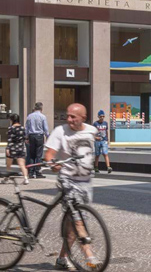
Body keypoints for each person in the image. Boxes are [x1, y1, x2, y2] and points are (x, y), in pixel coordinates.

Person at [44, 103, 99, 271]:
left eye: (73, 117)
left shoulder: (91, 130)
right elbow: (49, 154)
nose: (69, 120)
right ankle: (90, 257)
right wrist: (51, 163)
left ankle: (62, 258)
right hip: (68, 180)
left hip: (86, 183)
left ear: (83, 117)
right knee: (78, 219)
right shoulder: (60, 131)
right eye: (67, 116)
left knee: (72, 225)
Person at [25, 102, 49, 179]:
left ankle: (31, 173)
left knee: (31, 154)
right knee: (38, 155)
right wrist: (48, 136)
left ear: (34, 108)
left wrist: (26, 137)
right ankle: (38, 172)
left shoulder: (29, 116)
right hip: (39, 136)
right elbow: (45, 128)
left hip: (31, 136)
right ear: (41, 108)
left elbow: (27, 128)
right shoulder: (43, 117)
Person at [6, 114, 29, 185]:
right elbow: (25, 138)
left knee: (8, 165)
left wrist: (7, 149)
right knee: (22, 164)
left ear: (12, 120)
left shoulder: (11, 128)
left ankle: (6, 178)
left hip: (12, 148)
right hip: (20, 148)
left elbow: (10, 139)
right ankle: (26, 178)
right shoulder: (22, 128)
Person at [93, 110, 112, 174]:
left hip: (104, 140)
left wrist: (107, 139)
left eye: (103, 116)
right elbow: (92, 133)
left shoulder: (105, 123)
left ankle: (108, 167)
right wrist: (95, 137)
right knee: (97, 154)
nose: (102, 117)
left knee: (105, 153)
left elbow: (106, 131)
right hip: (97, 141)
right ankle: (96, 166)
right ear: (98, 116)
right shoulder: (95, 124)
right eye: (101, 116)